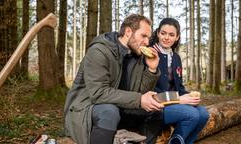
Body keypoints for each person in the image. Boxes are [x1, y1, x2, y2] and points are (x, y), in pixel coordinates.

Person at [64, 14, 165, 144]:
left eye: (148, 38)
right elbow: (98, 93)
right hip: (87, 108)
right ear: (128, 32)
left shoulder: (137, 57)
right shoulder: (99, 51)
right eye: (143, 36)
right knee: (109, 111)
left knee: (155, 112)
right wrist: (139, 99)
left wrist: (151, 69)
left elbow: (140, 93)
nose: (147, 42)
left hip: (120, 106)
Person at [149, 18, 209, 144]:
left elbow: (178, 87)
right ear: (158, 33)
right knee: (192, 114)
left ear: (177, 37)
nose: (166, 37)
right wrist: (179, 99)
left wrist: (188, 96)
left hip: (174, 103)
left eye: (171, 35)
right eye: (163, 33)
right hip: (156, 107)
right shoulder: (150, 54)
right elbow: (150, 91)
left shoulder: (175, 57)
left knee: (203, 114)